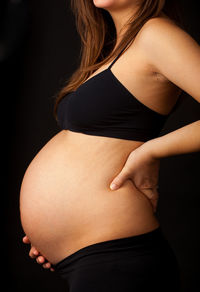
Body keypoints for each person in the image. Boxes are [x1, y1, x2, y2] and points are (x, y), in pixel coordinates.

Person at [21, 0, 200, 291]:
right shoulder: (114, 49)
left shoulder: (156, 34)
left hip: (119, 258)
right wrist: (53, 238)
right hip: (94, 259)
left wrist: (150, 151)